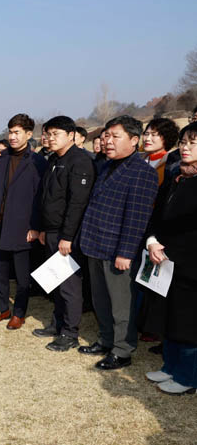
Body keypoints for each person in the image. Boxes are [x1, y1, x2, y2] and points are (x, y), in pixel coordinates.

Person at [78, 115, 158, 370]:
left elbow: (137, 218)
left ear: (134, 140)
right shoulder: (106, 166)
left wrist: (125, 253)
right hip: (95, 245)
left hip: (118, 252)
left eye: (115, 136)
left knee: (121, 305)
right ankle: (106, 340)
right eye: (106, 136)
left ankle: (122, 350)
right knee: (101, 300)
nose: (107, 141)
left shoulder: (141, 173)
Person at [142, 122, 197, 394]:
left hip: (191, 266)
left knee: (187, 322)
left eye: (193, 142)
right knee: (168, 317)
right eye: (185, 141)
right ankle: (170, 368)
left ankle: (187, 378)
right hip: (165, 261)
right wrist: (151, 241)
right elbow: (157, 214)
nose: (186, 147)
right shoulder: (176, 174)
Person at [33, 116, 95, 351]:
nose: (50, 138)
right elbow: (46, 197)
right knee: (55, 281)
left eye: (55, 134)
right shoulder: (53, 160)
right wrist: (41, 228)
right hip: (50, 231)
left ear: (71, 135)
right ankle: (57, 323)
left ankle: (70, 332)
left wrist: (67, 237)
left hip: (67, 235)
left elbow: (77, 204)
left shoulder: (79, 161)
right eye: (48, 134)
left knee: (69, 286)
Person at [0, 114, 48, 329]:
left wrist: (36, 226)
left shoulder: (37, 161)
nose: (12, 136)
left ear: (29, 135)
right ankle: (2, 309)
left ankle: (19, 312)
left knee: (22, 276)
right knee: (0, 272)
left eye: (17, 132)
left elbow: (40, 198)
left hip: (22, 226)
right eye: (10, 132)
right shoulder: (1, 160)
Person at [141, 118, 179, 186]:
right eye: (146, 134)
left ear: (166, 137)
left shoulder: (172, 164)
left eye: (153, 135)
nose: (147, 139)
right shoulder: (137, 158)